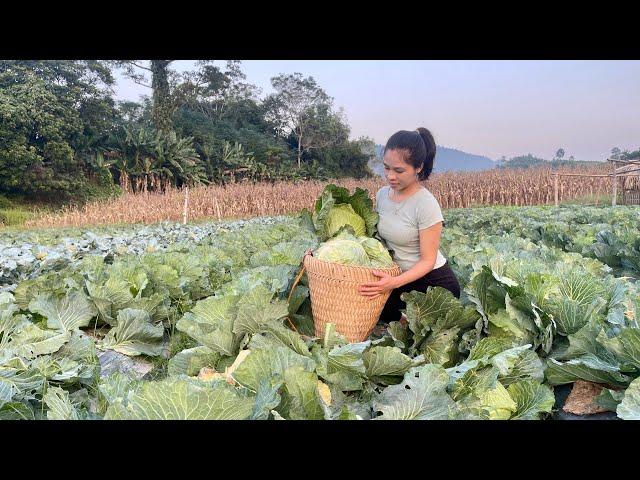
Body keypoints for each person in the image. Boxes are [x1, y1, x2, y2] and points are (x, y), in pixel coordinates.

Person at [357, 128, 460, 325]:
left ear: (418, 167)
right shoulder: (382, 195)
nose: (390, 176)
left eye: (399, 170)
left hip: (432, 284)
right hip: (398, 278)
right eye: (386, 168)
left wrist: (393, 283)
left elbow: (427, 261)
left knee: (411, 330)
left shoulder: (426, 204)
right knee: (369, 306)